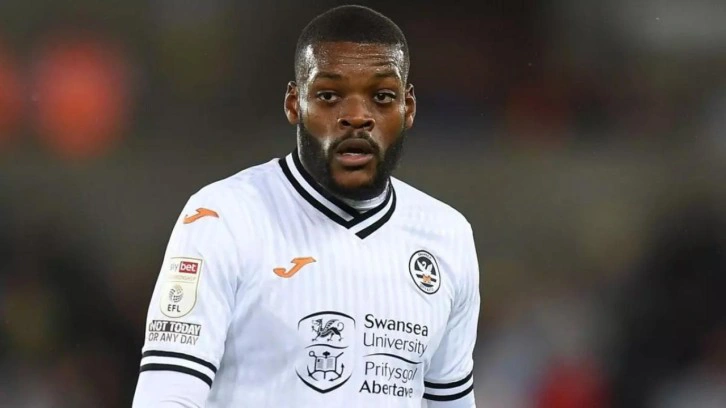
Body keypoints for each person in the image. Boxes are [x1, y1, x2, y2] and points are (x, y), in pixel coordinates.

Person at [132, 5, 480, 407]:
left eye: (382, 97)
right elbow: (166, 398)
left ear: (408, 107)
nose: (356, 117)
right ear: (294, 103)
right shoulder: (221, 217)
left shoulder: (447, 236)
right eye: (329, 96)